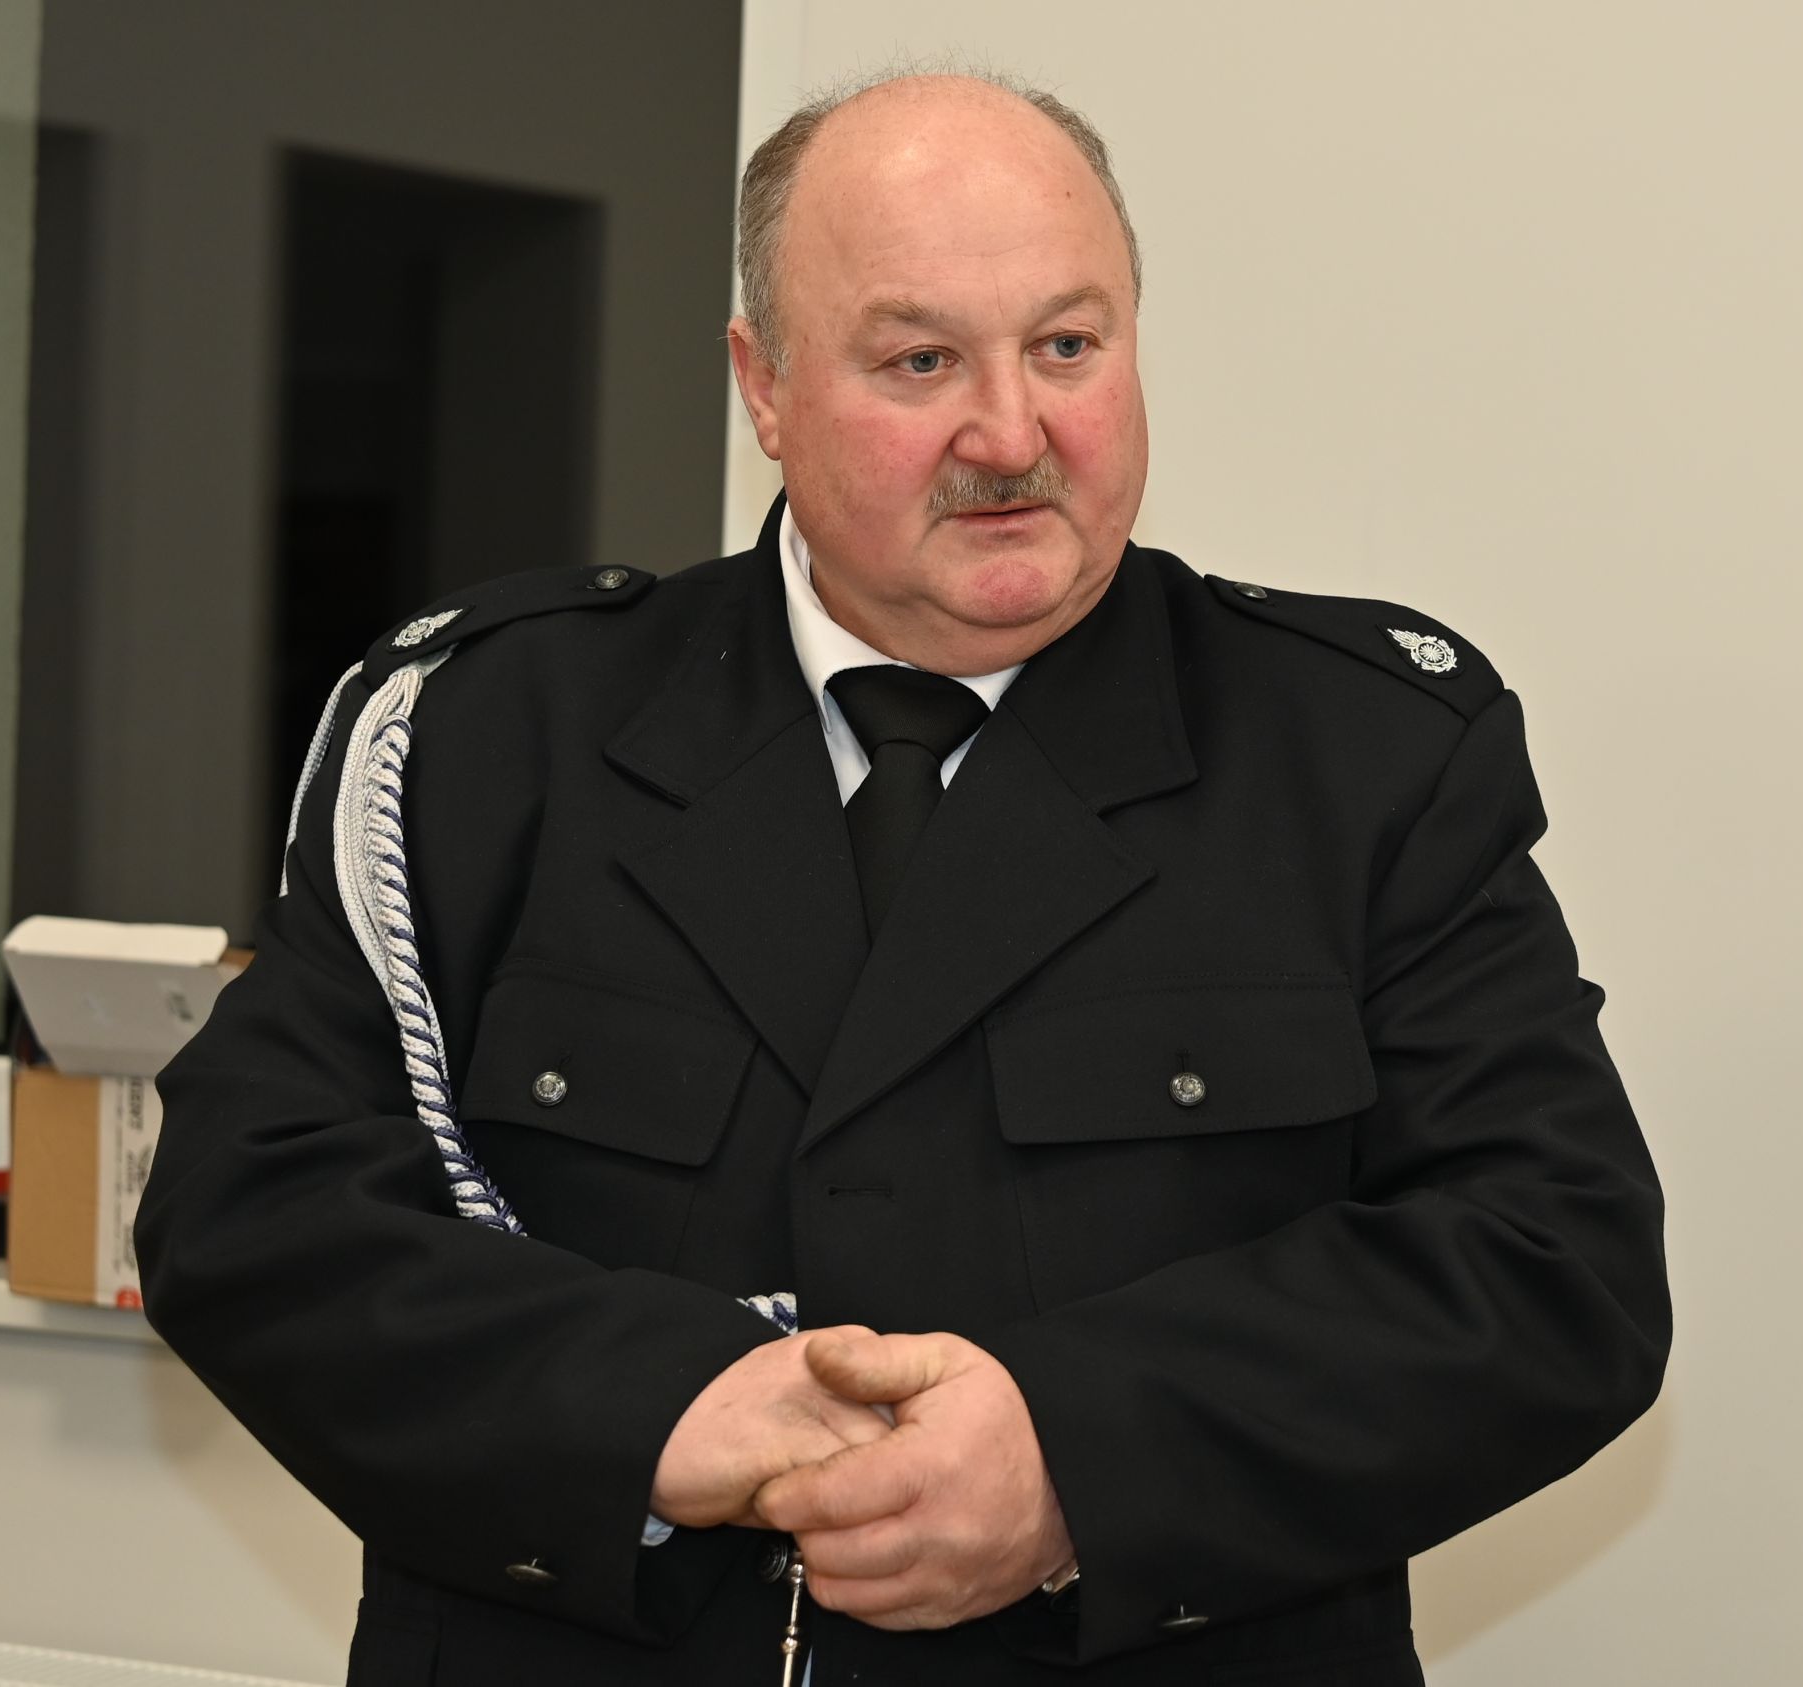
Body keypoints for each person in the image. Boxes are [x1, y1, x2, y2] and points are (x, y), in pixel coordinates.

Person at [135, 69, 1670, 1686]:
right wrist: (655, 1405)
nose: (1011, 435)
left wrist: (1079, 1458)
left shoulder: (1361, 757)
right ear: (765, 387)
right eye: (920, 360)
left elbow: (1551, 1265)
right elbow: (257, 1207)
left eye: (1067, 346)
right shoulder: (487, 734)